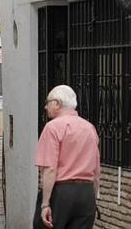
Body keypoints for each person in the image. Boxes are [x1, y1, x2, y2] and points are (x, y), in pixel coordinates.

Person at [34, 85, 100, 229]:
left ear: (57, 103)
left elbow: (50, 169)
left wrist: (45, 204)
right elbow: (96, 170)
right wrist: (92, 199)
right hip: (86, 193)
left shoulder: (52, 128)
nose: (46, 107)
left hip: (61, 193)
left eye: (48, 102)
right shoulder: (90, 128)